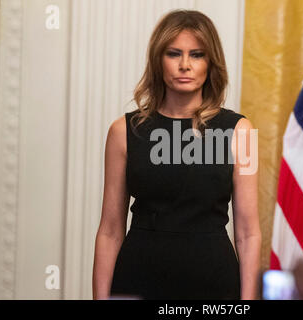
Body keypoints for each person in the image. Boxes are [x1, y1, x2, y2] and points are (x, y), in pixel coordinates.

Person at [92, 9, 261, 300]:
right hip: (138, 278)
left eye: (197, 55)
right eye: (174, 53)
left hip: (214, 282)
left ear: (211, 63)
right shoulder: (122, 131)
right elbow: (110, 230)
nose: (185, 65)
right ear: (159, 60)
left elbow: (248, 233)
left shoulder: (241, 131)